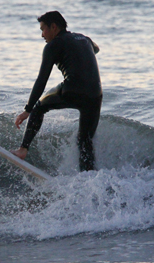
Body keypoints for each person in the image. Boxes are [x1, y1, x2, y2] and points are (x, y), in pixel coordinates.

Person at [13, 11, 102, 172]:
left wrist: (27, 110)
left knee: (39, 107)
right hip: (95, 94)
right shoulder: (84, 38)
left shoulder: (53, 45)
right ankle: (90, 180)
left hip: (73, 88)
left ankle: (22, 150)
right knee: (85, 141)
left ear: (53, 27)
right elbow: (96, 49)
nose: (42, 35)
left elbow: (42, 80)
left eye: (43, 29)